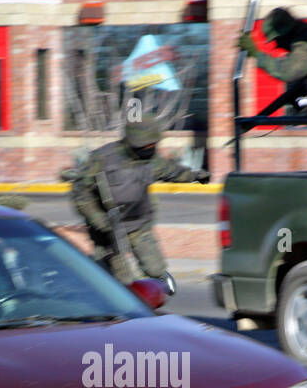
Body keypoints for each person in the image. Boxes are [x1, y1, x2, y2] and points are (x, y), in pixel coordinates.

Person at [61, 118, 210, 293]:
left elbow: (172, 171)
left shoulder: (151, 160)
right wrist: (99, 220)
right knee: (120, 279)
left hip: (139, 224)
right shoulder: (102, 158)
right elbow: (80, 191)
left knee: (155, 269)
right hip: (108, 229)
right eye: (147, 146)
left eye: (152, 145)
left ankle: (156, 300)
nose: (150, 149)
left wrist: (195, 176)